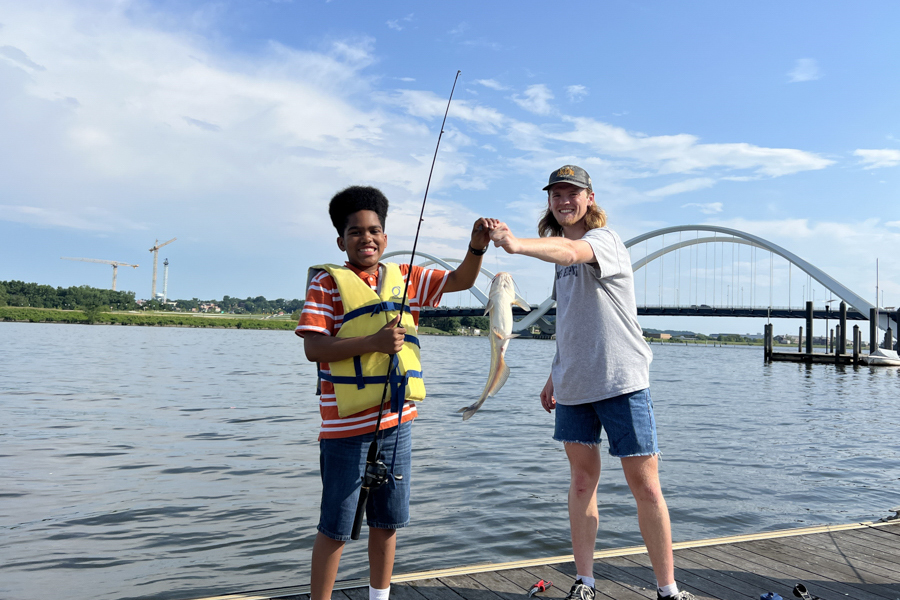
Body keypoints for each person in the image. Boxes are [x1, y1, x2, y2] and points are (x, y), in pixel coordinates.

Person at [489, 166, 694, 600]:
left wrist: (515, 245)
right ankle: (585, 582)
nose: (563, 200)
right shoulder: (559, 266)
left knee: (646, 485)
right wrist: (553, 372)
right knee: (582, 482)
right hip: (574, 386)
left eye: (572, 193)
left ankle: (668, 589)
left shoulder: (606, 242)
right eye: (556, 194)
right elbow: (571, 320)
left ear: (590, 198)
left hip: (622, 381)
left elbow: (568, 251)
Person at [296, 185, 497, 600]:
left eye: (374, 231)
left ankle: (379, 597)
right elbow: (313, 347)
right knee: (335, 526)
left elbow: (460, 280)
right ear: (341, 241)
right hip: (344, 431)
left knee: (387, 522)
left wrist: (476, 248)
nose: (366, 239)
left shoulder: (405, 277)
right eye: (355, 232)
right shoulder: (326, 285)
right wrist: (373, 341)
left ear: (385, 238)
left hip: (397, 424)